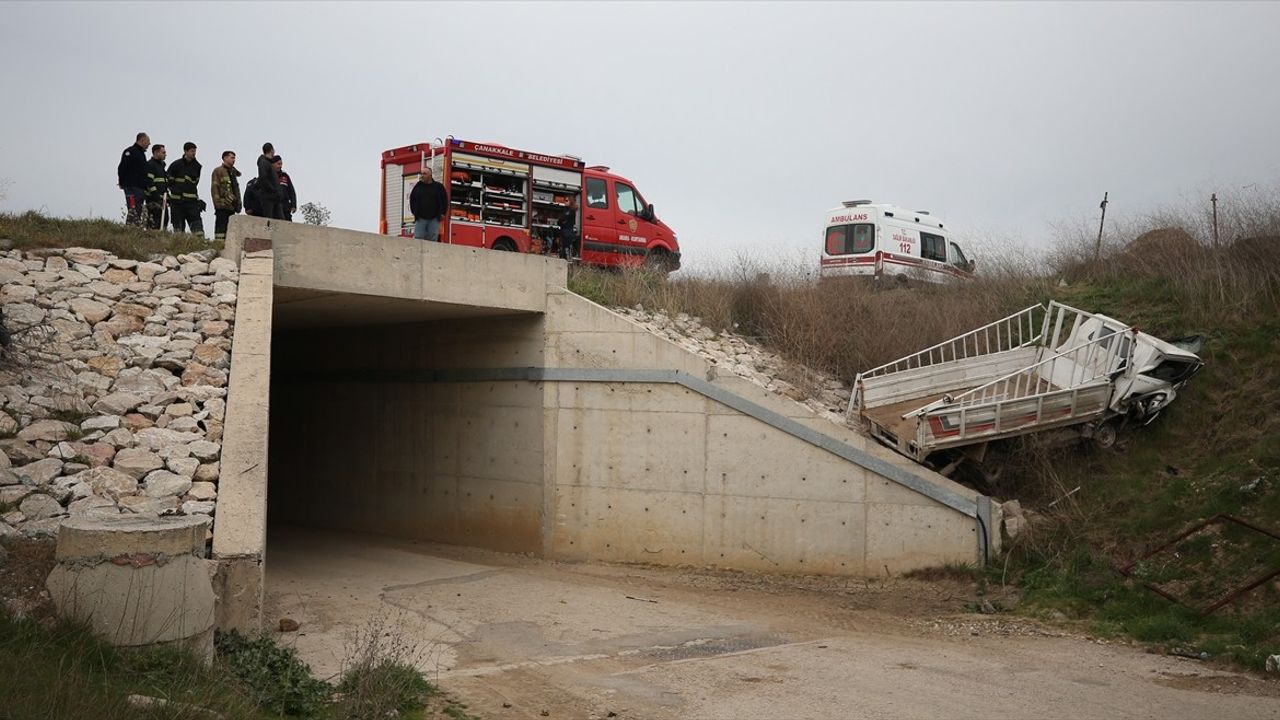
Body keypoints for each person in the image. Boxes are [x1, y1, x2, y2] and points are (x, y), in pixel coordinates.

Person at [167, 142, 204, 234]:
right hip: (177, 203)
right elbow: (168, 181)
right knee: (178, 228)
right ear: (185, 151)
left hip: (192, 203)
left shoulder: (197, 166)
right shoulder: (175, 165)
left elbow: (195, 182)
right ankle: (180, 245)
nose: (194, 153)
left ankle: (200, 244)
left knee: (197, 227)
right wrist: (174, 192)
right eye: (192, 151)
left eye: (195, 151)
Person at [116, 132, 150, 226]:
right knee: (133, 209)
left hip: (140, 187)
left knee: (138, 209)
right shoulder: (130, 151)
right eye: (148, 141)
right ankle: (130, 228)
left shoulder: (141, 154)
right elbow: (122, 167)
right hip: (132, 186)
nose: (149, 144)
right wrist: (122, 181)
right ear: (142, 140)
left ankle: (134, 228)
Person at [210, 150, 242, 241]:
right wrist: (218, 204)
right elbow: (215, 188)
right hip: (222, 206)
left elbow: (236, 190)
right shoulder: (218, 171)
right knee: (221, 229)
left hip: (231, 207)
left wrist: (238, 204)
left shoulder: (233, 173)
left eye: (234, 158)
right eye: (232, 157)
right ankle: (219, 245)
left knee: (230, 230)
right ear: (225, 158)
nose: (234, 160)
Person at [409, 167, 447, 241]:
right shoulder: (417, 187)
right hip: (420, 219)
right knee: (418, 240)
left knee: (432, 240)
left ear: (430, 175)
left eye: (424, 174)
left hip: (434, 219)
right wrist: (415, 213)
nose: (422, 176)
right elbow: (412, 200)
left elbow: (444, 200)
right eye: (421, 174)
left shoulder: (438, 187)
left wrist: (443, 213)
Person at [143, 144, 169, 230]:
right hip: (153, 200)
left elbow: (164, 184)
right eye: (163, 152)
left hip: (162, 200)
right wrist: (157, 196)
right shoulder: (150, 165)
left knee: (164, 221)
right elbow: (149, 182)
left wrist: (168, 197)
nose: (165, 154)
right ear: (156, 152)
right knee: (154, 222)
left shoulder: (161, 166)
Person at [256, 142, 283, 220]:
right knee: (269, 220)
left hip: (274, 198)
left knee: (280, 220)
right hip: (268, 197)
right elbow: (263, 178)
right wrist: (272, 189)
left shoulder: (268, 162)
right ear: (271, 150)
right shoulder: (263, 162)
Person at [274, 156, 297, 222]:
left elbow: (291, 191)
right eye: (278, 164)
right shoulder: (269, 175)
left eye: (281, 164)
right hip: (274, 206)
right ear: (273, 164)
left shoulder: (285, 176)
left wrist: (293, 204)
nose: (280, 166)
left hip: (285, 206)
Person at [558, 194, 580, 260]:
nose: (565, 202)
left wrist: (562, 221)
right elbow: (560, 220)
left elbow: (562, 219)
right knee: (563, 247)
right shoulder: (566, 210)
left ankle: (567, 259)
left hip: (568, 231)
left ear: (571, 201)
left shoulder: (571, 211)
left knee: (566, 247)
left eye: (566, 200)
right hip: (564, 230)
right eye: (565, 200)